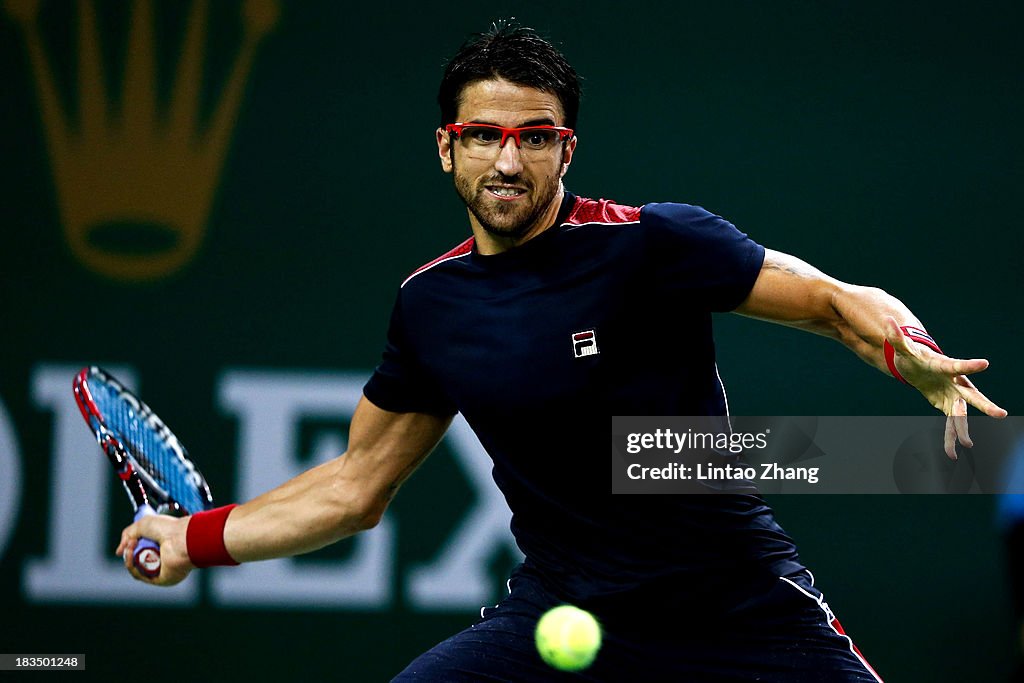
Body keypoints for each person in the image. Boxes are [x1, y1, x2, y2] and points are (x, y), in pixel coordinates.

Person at [117, 20, 1007, 682]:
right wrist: (197, 539)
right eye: (484, 136)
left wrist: (912, 351)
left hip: (739, 607)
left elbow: (834, 304)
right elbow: (355, 485)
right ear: (446, 148)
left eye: (534, 136)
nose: (508, 160)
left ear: (565, 148)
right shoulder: (432, 306)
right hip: (564, 611)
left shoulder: (652, 244)